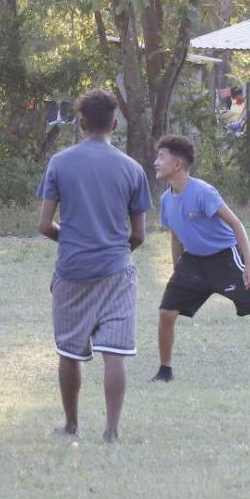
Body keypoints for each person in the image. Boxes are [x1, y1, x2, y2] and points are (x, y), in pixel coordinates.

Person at [37, 89, 151, 442]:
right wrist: (114, 249)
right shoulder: (132, 169)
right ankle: (111, 431)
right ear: (115, 123)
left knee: (69, 351)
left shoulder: (60, 163)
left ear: (82, 123)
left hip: (71, 272)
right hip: (116, 270)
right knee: (114, 351)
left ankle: (71, 425)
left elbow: (44, 225)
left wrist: (72, 242)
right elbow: (139, 235)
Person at [150, 134, 250, 384]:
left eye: (161, 157)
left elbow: (236, 224)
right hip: (192, 263)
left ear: (178, 164)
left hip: (224, 259)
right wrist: (177, 270)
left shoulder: (203, 192)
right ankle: (165, 371)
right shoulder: (166, 200)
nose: (155, 163)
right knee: (166, 312)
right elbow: (176, 237)